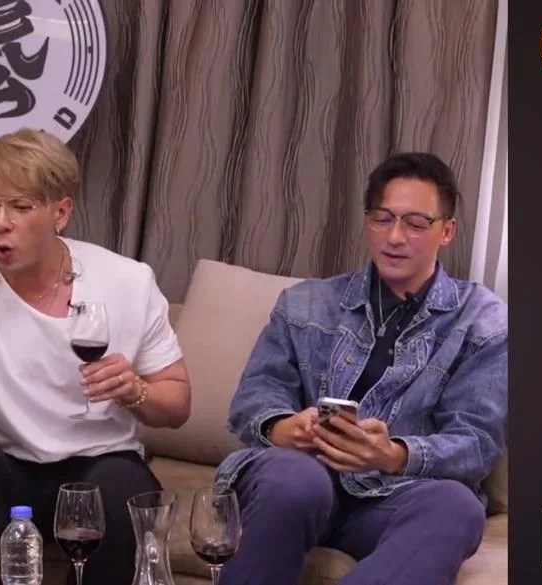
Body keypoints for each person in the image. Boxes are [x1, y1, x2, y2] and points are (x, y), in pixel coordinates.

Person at [0, 128, 192, 585]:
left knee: (122, 491)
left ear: (61, 211)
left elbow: (177, 404)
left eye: (20, 207)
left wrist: (136, 390)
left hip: (102, 463)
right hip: (5, 466)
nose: (0, 222)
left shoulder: (126, 281)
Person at [214, 152, 508, 585]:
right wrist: (283, 427)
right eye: (382, 218)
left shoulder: (484, 321)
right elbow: (255, 395)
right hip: (299, 483)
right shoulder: (305, 303)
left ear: (447, 231)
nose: (395, 236)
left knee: (457, 506)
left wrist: (394, 455)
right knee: (296, 478)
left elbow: (476, 443)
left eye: (415, 223)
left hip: (391, 498)